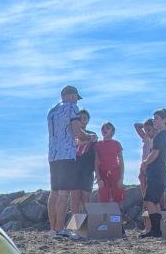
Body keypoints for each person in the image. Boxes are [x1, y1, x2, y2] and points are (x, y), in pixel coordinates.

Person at [46, 85, 87, 239]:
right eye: (76, 96)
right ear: (71, 96)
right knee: (64, 193)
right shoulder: (72, 108)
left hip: (53, 154)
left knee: (54, 192)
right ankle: (60, 229)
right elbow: (77, 131)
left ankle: (53, 229)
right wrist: (88, 137)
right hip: (66, 154)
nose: (77, 99)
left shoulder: (52, 110)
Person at [140, 109, 166, 238]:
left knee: (149, 200)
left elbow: (155, 154)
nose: (154, 120)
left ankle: (155, 229)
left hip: (158, 171)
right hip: (160, 171)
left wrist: (145, 162)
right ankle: (157, 229)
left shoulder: (161, 135)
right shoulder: (163, 134)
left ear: (165, 120)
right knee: (155, 201)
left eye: (157, 118)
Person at [133, 118, 156, 231]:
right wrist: (146, 124)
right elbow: (136, 125)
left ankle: (154, 225)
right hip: (144, 170)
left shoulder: (158, 139)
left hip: (153, 169)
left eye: (149, 129)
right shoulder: (146, 138)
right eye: (145, 130)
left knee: (154, 199)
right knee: (145, 199)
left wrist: (153, 124)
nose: (146, 132)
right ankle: (147, 225)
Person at [94, 122, 126, 203]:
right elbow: (96, 163)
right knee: (104, 199)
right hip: (103, 174)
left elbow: (121, 162)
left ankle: (116, 216)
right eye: (103, 129)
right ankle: (106, 216)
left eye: (107, 128)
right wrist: (98, 178)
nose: (104, 130)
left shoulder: (116, 143)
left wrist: (121, 178)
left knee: (118, 199)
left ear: (112, 132)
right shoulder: (98, 144)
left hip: (116, 173)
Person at [74, 109, 99, 207]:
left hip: (88, 170)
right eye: (80, 118)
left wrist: (97, 171)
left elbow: (96, 154)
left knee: (86, 197)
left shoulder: (93, 135)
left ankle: (88, 221)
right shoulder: (72, 134)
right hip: (74, 169)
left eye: (85, 118)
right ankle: (74, 220)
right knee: (75, 197)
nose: (82, 120)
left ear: (88, 120)